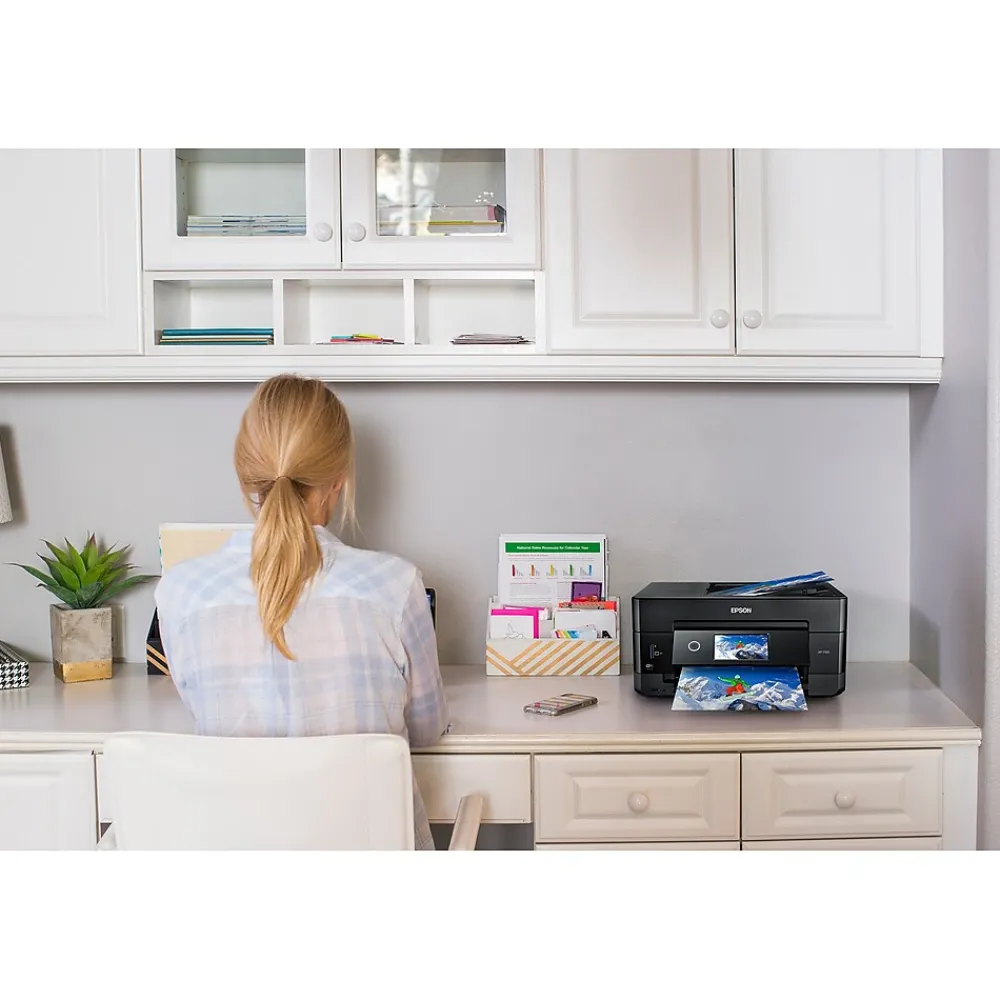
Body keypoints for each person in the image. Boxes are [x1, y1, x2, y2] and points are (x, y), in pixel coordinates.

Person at [154, 374, 448, 849]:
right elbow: (427, 730)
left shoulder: (180, 592)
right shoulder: (395, 586)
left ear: (245, 476)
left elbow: (201, 710)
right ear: (339, 480)